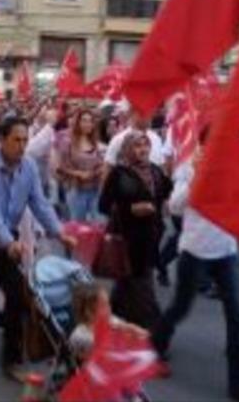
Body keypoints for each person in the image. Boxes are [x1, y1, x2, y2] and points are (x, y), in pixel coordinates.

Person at [0, 116, 76, 382]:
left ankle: (11, 359)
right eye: (16, 140)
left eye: (25, 140)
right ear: (1, 140)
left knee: (20, 296)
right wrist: (8, 242)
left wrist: (60, 232)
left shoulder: (29, 167)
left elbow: (40, 203)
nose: (22, 146)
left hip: (7, 240)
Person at [152, 144, 239, 402]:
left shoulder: (234, 169)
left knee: (236, 316)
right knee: (180, 307)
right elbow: (175, 207)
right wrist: (196, 173)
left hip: (226, 250)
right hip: (195, 250)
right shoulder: (190, 167)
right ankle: (155, 348)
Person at [99, 131, 172, 330]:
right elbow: (104, 205)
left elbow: (167, 193)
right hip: (127, 238)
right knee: (142, 284)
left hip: (151, 237)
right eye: (137, 146)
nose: (143, 150)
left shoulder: (156, 171)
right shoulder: (119, 173)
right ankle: (157, 334)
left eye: (146, 145)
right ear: (127, 149)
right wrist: (130, 209)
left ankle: (111, 321)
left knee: (126, 283)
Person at [69, 282, 148, 361]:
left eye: (108, 304)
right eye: (104, 306)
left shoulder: (111, 320)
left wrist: (135, 331)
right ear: (88, 312)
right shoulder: (82, 337)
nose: (109, 309)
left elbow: (131, 330)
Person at [58, 109, 104, 222]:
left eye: (90, 121)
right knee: (78, 224)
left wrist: (97, 171)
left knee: (99, 222)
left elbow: (101, 164)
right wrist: (78, 173)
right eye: (84, 120)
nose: (87, 124)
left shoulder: (95, 143)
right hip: (76, 190)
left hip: (95, 188)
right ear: (78, 123)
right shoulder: (68, 142)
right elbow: (60, 167)